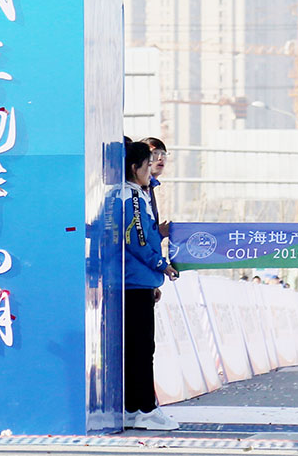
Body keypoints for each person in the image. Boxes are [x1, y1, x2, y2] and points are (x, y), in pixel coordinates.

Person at [121, 140, 180, 431]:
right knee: (141, 349)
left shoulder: (136, 195)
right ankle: (145, 408)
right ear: (136, 167)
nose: (151, 169)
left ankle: (133, 407)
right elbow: (137, 239)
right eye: (148, 164)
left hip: (139, 281)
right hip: (136, 281)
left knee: (138, 348)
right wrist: (161, 264)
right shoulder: (131, 197)